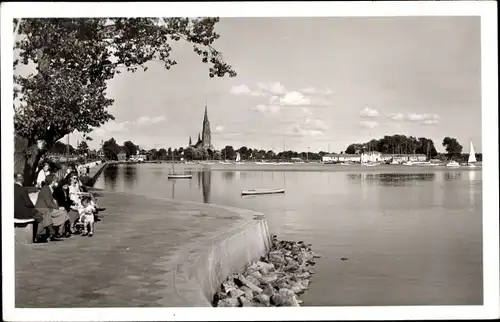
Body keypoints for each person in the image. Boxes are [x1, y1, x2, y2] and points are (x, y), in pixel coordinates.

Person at [14, 173, 61, 243]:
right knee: (41, 215)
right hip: (22, 213)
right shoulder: (22, 190)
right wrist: (33, 207)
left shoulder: (11, 189)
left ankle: (48, 233)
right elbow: (28, 203)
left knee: (44, 213)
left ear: (14, 180)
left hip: (14, 212)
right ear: (22, 180)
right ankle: (39, 236)